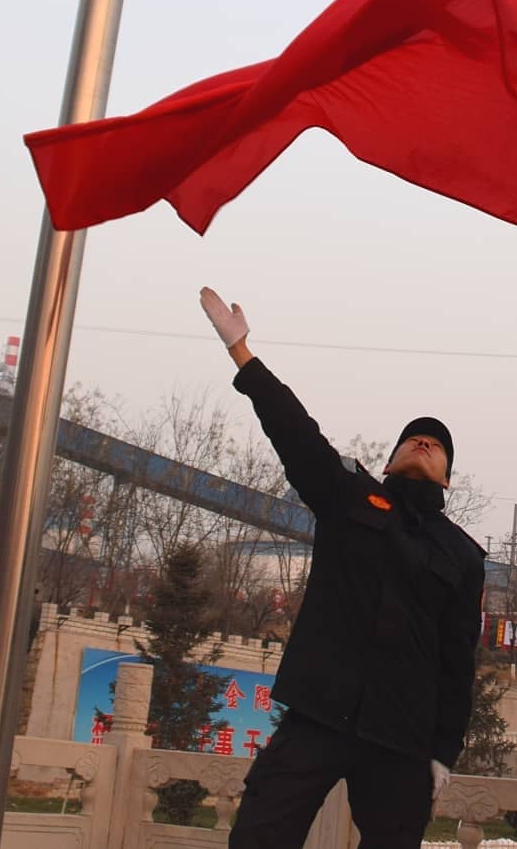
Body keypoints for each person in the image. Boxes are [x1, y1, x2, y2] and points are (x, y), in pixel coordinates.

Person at [198, 288, 487, 848]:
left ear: (449, 478)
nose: (423, 440)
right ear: (389, 461)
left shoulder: (462, 555)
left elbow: (457, 663)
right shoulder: (347, 497)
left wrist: (442, 752)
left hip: (401, 738)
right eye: (414, 437)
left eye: (436, 444)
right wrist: (242, 354)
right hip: (319, 713)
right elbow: (295, 433)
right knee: (259, 835)